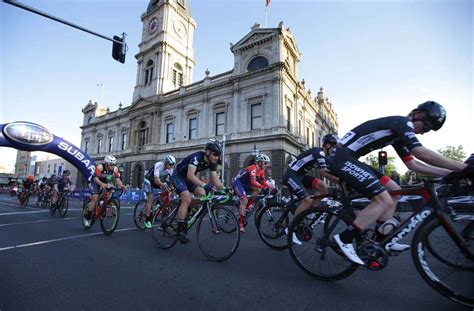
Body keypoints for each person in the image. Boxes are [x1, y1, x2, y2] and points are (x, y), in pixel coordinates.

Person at [326, 101, 474, 265]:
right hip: (340, 158)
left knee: (395, 190)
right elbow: (421, 153)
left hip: (350, 158)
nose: (424, 133)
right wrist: (465, 168)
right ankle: (344, 238)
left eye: (428, 130)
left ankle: (379, 237)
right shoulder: (402, 123)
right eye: (426, 127)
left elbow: (413, 165)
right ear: (418, 114)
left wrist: (451, 174)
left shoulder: (398, 135)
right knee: (384, 199)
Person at [283, 134, 340, 244]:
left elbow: (332, 170)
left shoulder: (325, 156)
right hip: (291, 175)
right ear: (327, 145)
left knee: (324, 187)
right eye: (334, 148)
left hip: (301, 176)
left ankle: (309, 212)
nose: (334, 151)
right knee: (307, 200)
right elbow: (323, 172)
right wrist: (340, 181)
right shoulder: (319, 152)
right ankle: (291, 229)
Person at [170, 140, 225, 243]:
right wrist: (205, 185)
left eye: (218, 155)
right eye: (215, 154)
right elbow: (190, 175)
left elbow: (215, 180)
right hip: (178, 176)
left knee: (202, 194)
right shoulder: (197, 157)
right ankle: (180, 230)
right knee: (186, 197)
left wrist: (224, 189)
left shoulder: (212, 162)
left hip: (188, 178)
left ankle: (186, 212)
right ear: (208, 152)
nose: (217, 158)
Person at [232, 153, 273, 233]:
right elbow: (253, 181)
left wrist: (271, 188)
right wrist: (264, 187)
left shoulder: (261, 171)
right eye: (265, 163)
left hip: (246, 184)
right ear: (260, 162)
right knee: (244, 200)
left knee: (258, 190)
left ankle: (247, 206)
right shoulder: (253, 168)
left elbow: (263, 182)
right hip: (238, 183)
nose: (266, 165)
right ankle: (240, 224)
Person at [84, 155, 125, 228]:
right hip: (94, 181)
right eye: (111, 164)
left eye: (114, 164)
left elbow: (117, 179)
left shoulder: (115, 169)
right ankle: (88, 217)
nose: (113, 166)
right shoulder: (100, 167)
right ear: (106, 163)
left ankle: (104, 206)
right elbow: (96, 179)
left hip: (104, 182)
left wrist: (121, 186)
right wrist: (103, 184)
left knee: (109, 193)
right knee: (95, 198)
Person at [142, 155, 176, 229]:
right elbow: (156, 180)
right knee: (150, 198)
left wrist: (173, 188)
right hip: (149, 180)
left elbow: (172, 181)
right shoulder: (158, 165)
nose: (171, 166)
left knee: (167, 189)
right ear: (166, 163)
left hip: (157, 182)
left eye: (172, 165)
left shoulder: (170, 169)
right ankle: (147, 220)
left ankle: (158, 202)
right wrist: (165, 185)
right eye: (170, 165)